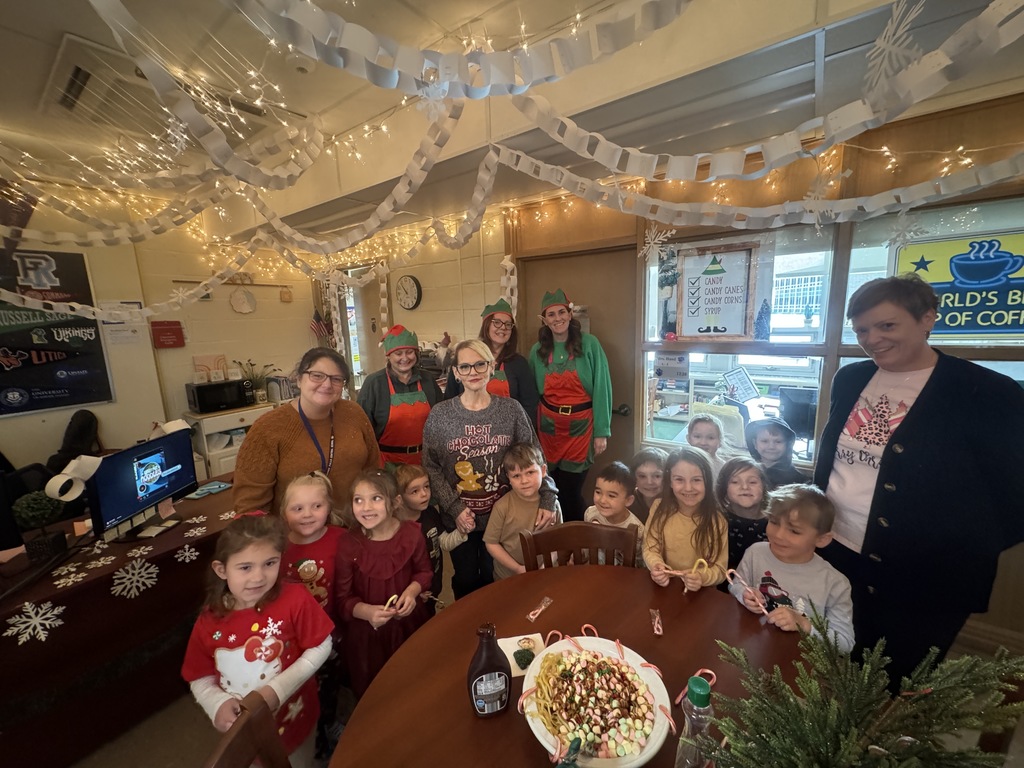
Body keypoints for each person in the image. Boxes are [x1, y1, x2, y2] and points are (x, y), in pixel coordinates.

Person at [814, 273, 1024, 684]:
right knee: (832, 660)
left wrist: (955, 545)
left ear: (928, 318)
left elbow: (1013, 494)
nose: (872, 338)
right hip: (836, 552)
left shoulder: (987, 393)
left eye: (886, 325)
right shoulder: (851, 378)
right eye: (861, 330)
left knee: (898, 677)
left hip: (925, 576)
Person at [181, 513, 334, 768]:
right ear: (221, 569)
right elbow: (199, 675)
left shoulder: (294, 598)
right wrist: (216, 704)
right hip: (244, 737)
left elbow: (321, 644)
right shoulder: (209, 621)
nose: (259, 577)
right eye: (245, 567)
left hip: (296, 720)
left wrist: (277, 691)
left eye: (270, 563)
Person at [423, 339, 557, 598]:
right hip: (461, 517)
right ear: (456, 373)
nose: (473, 372)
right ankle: (466, 630)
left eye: (480, 364)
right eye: (465, 366)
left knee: (495, 578)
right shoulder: (440, 416)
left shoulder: (511, 410)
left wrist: (549, 496)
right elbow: (431, 467)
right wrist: (454, 508)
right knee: (465, 577)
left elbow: (535, 457)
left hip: (505, 516)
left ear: (491, 367)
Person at [233, 347, 381, 516]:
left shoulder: (354, 413)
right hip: (296, 536)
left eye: (336, 379)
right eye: (317, 376)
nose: (326, 384)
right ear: (299, 379)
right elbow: (250, 507)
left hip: (355, 527)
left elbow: (373, 469)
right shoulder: (267, 428)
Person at [333, 469, 433, 697]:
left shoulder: (411, 535)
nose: (366, 507)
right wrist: (367, 612)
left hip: (408, 625)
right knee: (376, 691)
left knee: (413, 680)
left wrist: (412, 591)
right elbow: (342, 600)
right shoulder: (349, 544)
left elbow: (424, 572)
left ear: (395, 501)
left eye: (376, 498)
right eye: (359, 500)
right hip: (368, 637)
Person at [730, 484, 854, 653]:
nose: (779, 535)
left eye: (794, 531)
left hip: (801, 664)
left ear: (822, 539)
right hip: (755, 648)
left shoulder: (835, 583)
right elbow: (736, 584)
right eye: (773, 522)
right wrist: (744, 595)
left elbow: (845, 644)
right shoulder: (755, 553)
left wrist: (804, 625)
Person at [528, 288, 612, 522]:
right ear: (544, 320)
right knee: (548, 490)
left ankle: (577, 540)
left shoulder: (590, 345)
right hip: (547, 431)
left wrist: (602, 431)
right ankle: (555, 540)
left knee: (571, 492)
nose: (557, 318)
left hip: (581, 430)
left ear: (570, 313)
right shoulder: (537, 351)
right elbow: (533, 394)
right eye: (551, 314)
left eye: (561, 312)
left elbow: (602, 388)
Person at [279, 471, 344, 760]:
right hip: (294, 642)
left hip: (334, 632)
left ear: (329, 507)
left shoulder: (342, 539)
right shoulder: (277, 550)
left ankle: (328, 725)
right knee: (303, 692)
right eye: (298, 508)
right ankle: (313, 737)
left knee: (330, 684)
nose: (307, 514)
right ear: (284, 512)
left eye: (316, 506)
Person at [643, 447, 727, 590]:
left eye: (696, 480)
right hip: (664, 587)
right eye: (679, 480)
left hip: (701, 594)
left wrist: (701, 577)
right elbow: (650, 546)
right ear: (670, 482)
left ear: (708, 482)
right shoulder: (659, 508)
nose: (688, 488)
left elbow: (719, 569)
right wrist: (656, 565)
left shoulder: (717, 521)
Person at [358, 325, 443, 466]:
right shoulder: (374, 383)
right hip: (387, 464)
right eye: (398, 353)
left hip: (425, 461)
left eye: (409, 352)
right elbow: (363, 429)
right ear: (388, 356)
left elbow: (441, 420)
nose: (405, 358)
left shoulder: (428, 379)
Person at [445, 298, 540, 423]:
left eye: (508, 324)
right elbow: (450, 400)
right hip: (468, 430)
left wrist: (521, 433)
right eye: (497, 322)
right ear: (486, 325)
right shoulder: (465, 358)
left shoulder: (519, 363)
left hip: (507, 432)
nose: (503, 328)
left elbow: (529, 404)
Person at [394, 463, 467, 613]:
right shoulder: (395, 527)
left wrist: (462, 532)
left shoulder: (430, 513)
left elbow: (444, 542)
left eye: (426, 487)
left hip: (433, 587)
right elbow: (394, 569)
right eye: (415, 491)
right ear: (399, 499)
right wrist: (412, 589)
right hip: (408, 597)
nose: (424, 494)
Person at [483, 443, 556, 579]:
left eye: (530, 472)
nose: (524, 481)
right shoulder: (502, 507)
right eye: (516, 476)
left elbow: (558, 541)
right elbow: (491, 543)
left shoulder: (553, 506)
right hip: (506, 577)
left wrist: (544, 567)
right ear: (508, 478)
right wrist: (517, 568)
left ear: (543, 470)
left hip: (543, 573)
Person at [583, 461, 644, 566]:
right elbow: (587, 543)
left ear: (628, 500)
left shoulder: (637, 529)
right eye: (598, 492)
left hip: (621, 575)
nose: (602, 500)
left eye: (611, 496)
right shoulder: (590, 513)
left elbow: (639, 564)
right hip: (593, 569)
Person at [715, 456, 770, 571]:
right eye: (735, 482)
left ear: (764, 486)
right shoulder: (717, 518)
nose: (745, 487)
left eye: (752, 482)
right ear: (724, 488)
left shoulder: (773, 523)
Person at [743, 417, 806, 490]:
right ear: (755, 444)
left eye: (778, 441)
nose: (771, 446)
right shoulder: (747, 473)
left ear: (788, 444)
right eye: (764, 441)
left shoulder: (800, 483)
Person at [686, 413, 734, 479]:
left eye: (710, 438)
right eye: (697, 436)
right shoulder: (681, 463)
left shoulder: (724, 469)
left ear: (720, 441)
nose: (703, 443)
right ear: (688, 439)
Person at [629, 446, 668, 524]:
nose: (649, 482)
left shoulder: (674, 505)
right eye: (642, 476)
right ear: (634, 478)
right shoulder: (628, 501)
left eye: (657, 476)